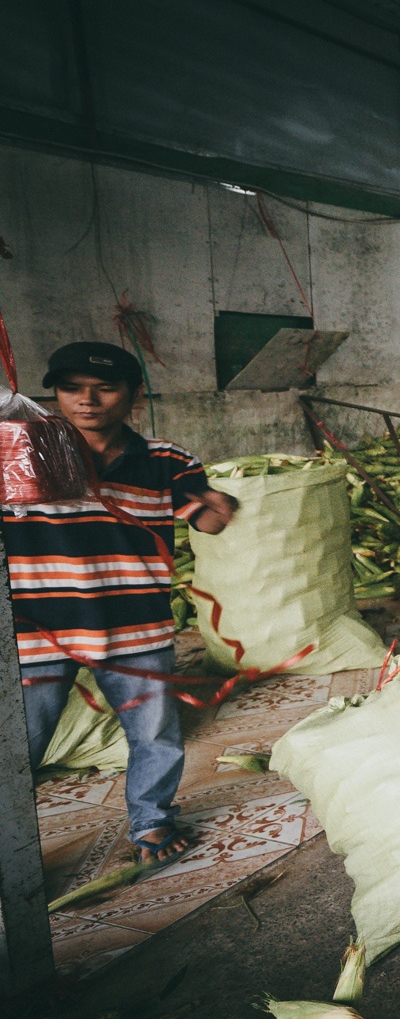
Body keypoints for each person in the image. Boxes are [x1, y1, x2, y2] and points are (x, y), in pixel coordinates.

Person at [4, 343, 238, 867]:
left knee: (155, 732)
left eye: (105, 388)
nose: (87, 400)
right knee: (20, 746)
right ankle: (9, 849)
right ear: (56, 395)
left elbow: (205, 516)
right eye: (72, 388)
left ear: (134, 396)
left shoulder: (165, 460)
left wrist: (220, 509)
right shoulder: (21, 456)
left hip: (135, 626)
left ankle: (152, 820)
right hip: (40, 628)